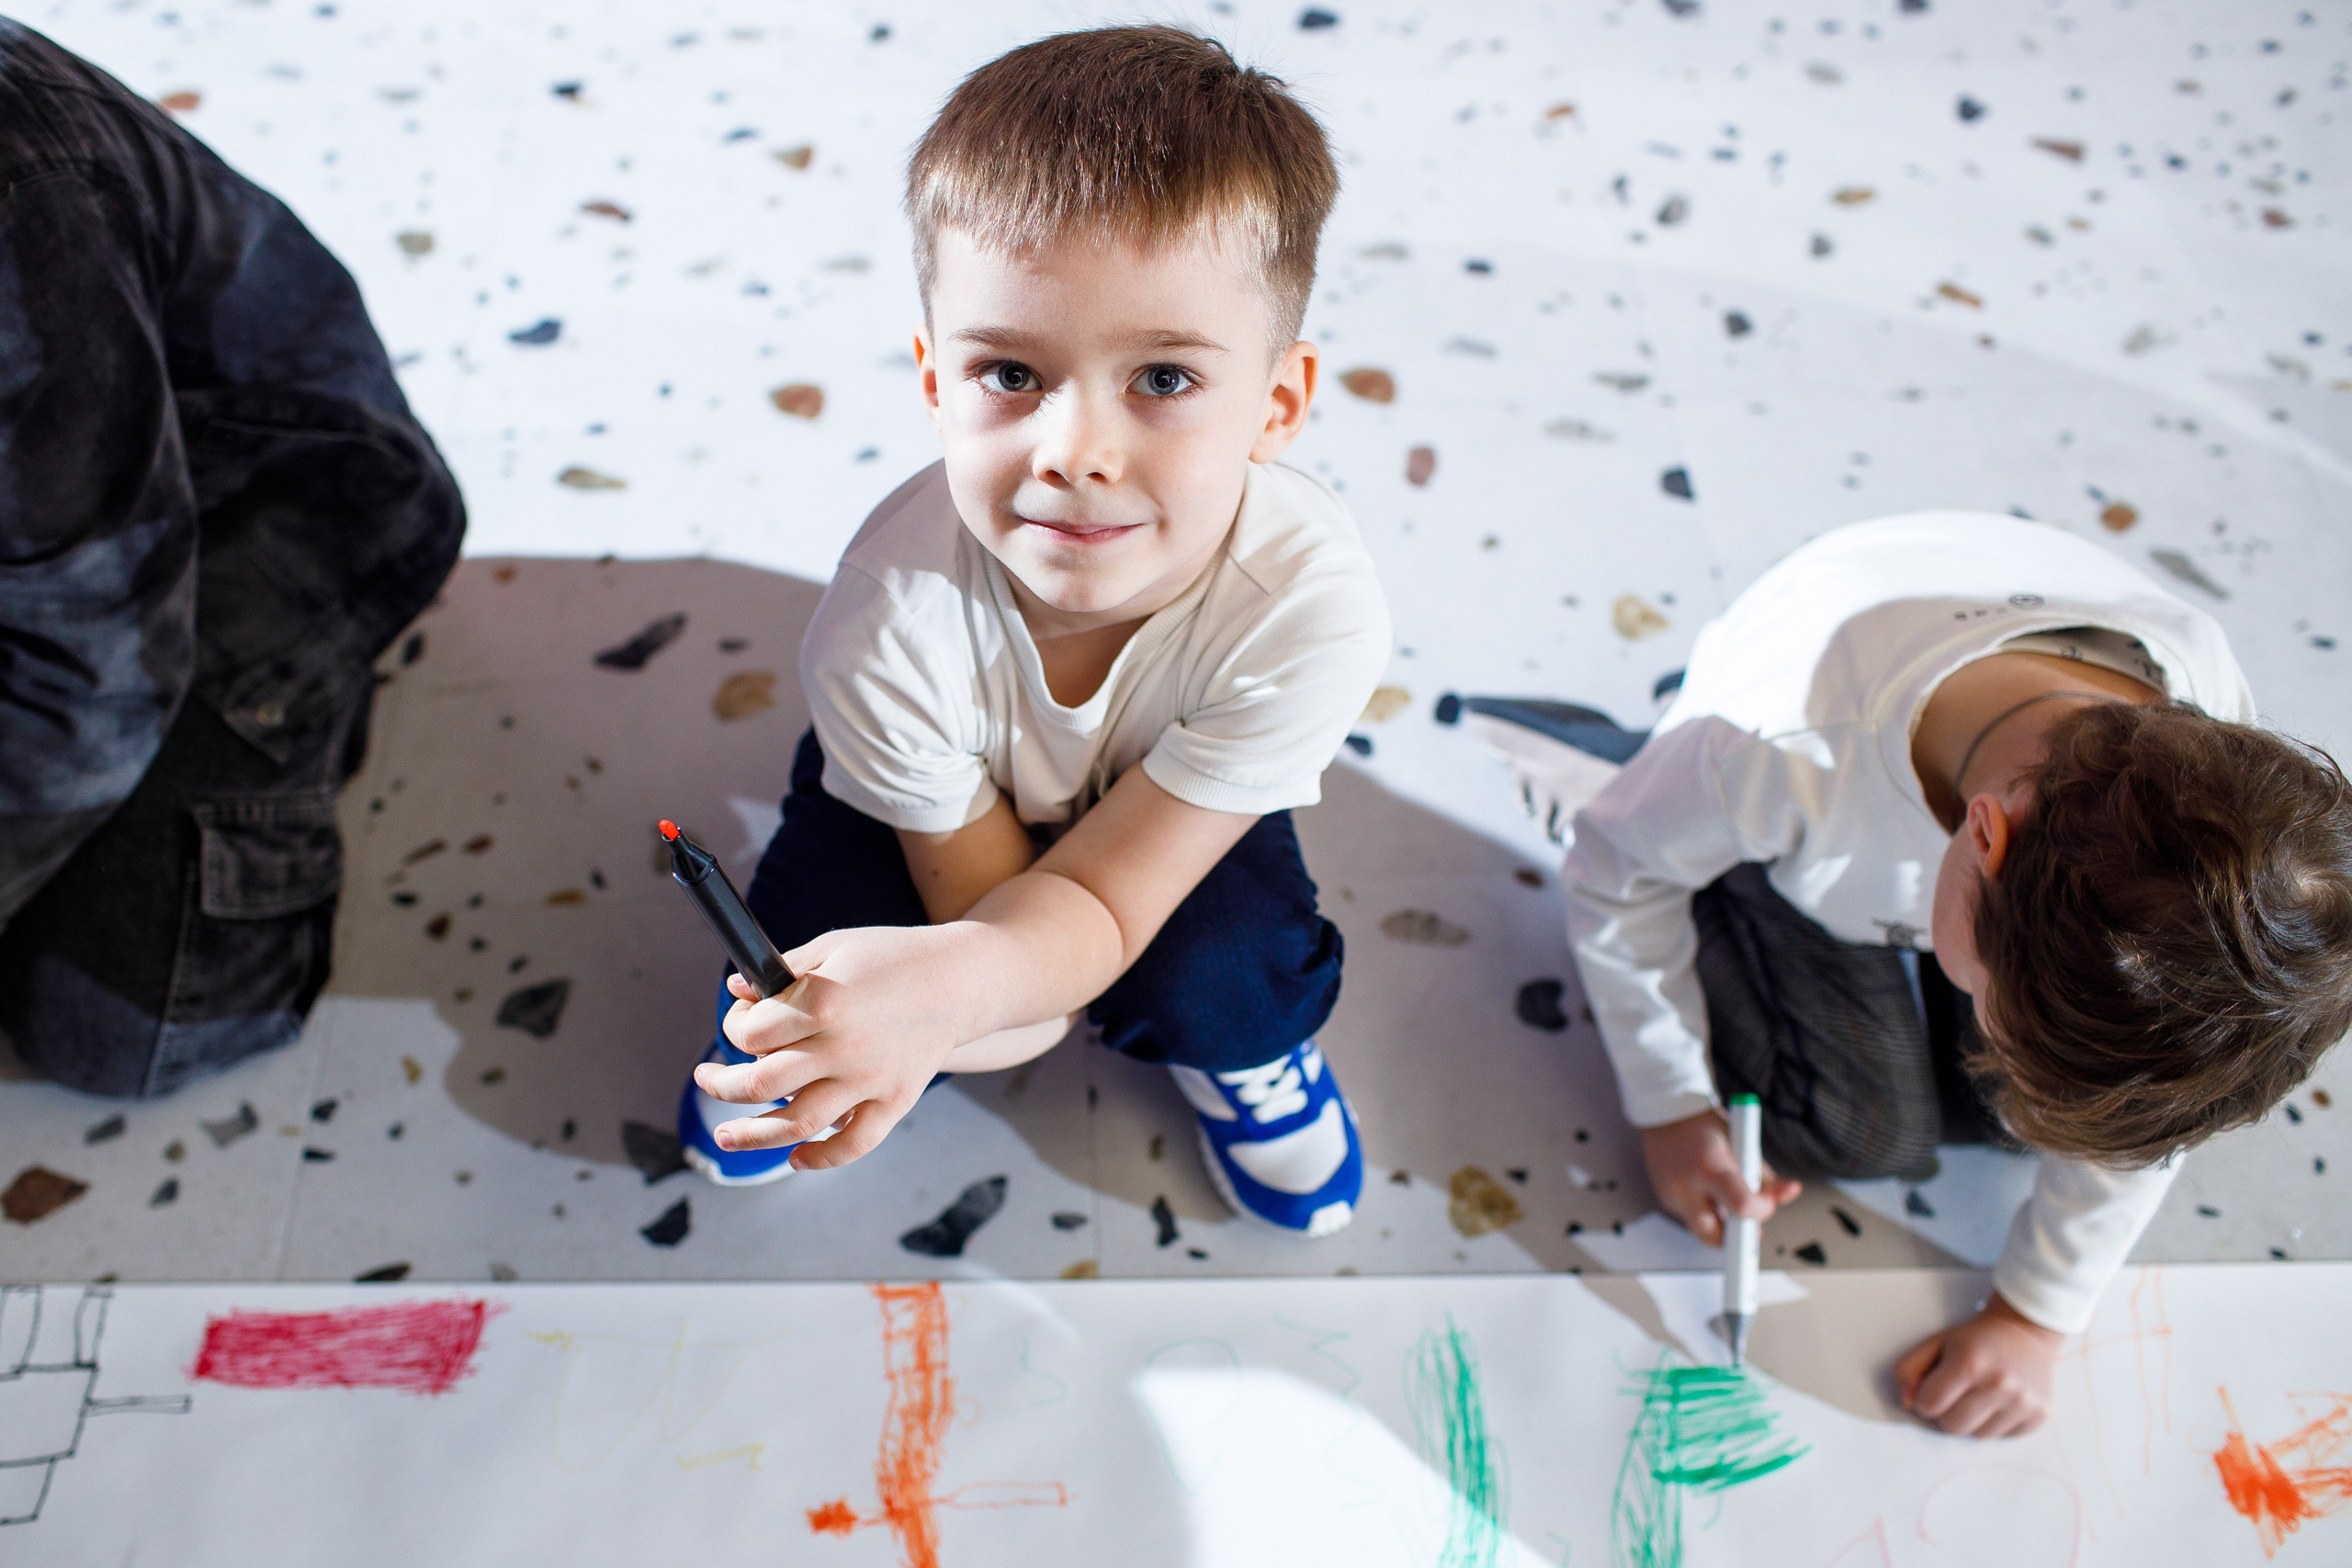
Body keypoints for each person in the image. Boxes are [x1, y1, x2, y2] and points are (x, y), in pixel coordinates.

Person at [679, 27, 1391, 1238]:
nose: (1076, 451)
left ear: (1278, 402)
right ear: (933, 383)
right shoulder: (886, 625)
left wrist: (950, 1000)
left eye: (1163, 379)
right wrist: (903, 1011)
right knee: (813, 932)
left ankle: (1246, 1058)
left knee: (1236, 964)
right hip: (933, 816)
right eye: (1011, 372)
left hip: (1165, 807)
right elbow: (1003, 927)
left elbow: (1096, 924)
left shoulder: (1309, 609)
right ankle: (820, 1037)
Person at [1453, 513, 2352, 1436]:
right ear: (1985, 840)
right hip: (1792, 815)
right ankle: (1615, 766)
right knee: (1856, 1132)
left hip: (1941, 815)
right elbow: (1616, 880)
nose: (1993, 1049)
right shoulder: (1773, 750)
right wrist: (1673, 1107)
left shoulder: (2233, 799)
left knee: (2028, 1117)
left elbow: (2147, 1091)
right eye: (1995, 1018)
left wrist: (2036, 1315)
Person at [0, 22, 465, 1097]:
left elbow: (99, 676)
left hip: (259, 522)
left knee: (128, 1030)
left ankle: (298, 710)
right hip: (58, 531)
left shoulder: (20, 215)